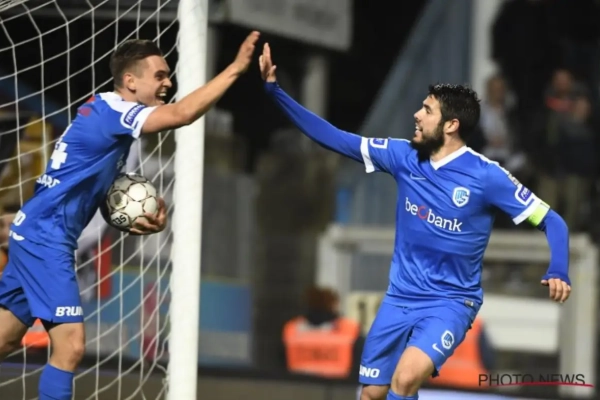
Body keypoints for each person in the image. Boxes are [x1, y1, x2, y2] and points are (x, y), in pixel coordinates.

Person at [259, 43, 571, 400]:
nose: (416, 115)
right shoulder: (403, 155)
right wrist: (276, 93)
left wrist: (559, 268)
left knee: (405, 379)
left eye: (427, 110)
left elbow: (552, 220)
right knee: (371, 394)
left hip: (451, 302)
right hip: (399, 298)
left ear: (451, 125)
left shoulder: (487, 176)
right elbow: (335, 138)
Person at [0, 31, 260, 400]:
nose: (168, 83)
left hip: (37, 233)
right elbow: (182, 114)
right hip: (45, 238)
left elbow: (96, 192)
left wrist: (135, 217)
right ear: (130, 81)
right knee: (70, 346)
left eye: (168, 75)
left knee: (6, 339)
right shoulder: (115, 113)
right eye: (160, 75)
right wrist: (234, 69)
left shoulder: (106, 117)